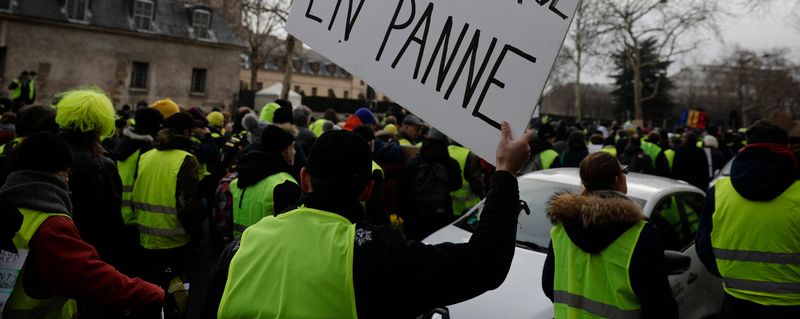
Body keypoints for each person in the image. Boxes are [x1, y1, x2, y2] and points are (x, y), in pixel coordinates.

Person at [205, 122, 531, 318]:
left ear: (304, 179)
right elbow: (484, 263)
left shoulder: (242, 245)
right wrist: (504, 172)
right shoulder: (375, 252)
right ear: (367, 189)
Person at [0, 132, 164, 317]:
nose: (68, 179)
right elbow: (89, 277)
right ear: (58, 171)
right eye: (67, 172)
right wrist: (151, 293)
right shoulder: (51, 223)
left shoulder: (9, 201)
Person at [542, 152, 678, 318]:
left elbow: (549, 285)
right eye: (624, 172)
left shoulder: (561, 229)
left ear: (584, 183)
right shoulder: (642, 235)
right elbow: (661, 308)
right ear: (617, 180)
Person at [696, 120, 800, 318]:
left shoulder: (719, 192)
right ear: (786, 148)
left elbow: (703, 245)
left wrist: (732, 274)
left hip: (737, 300)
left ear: (746, 146)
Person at [55, 88, 127, 271]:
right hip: (87, 255)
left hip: (49, 247)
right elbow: (109, 221)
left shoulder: (44, 151)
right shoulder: (101, 164)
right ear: (102, 122)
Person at [131, 112, 204, 287]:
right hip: (174, 241)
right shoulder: (187, 159)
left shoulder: (146, 156)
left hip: (144, 238)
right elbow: (188, 206)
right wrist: (196, 234)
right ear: (186, 132)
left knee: (149, 291)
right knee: (174, 295)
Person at [229, 125, 301, 238]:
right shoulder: (285, 184)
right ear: (284, 151)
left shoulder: (238, 180)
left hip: (239, 249)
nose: (295, 152)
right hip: (268, 251)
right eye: (292, 148)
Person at [398, 129, 463, 240]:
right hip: (442, 217)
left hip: (416, 220)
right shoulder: (451, 164)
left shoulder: (413, 163)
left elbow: (402, 192)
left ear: (427, 139)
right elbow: (457, 185)